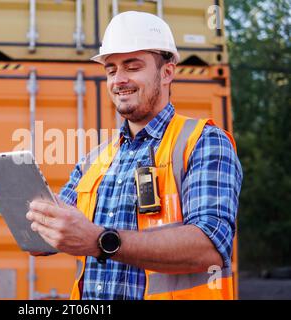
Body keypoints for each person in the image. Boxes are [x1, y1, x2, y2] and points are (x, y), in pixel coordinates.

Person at [26, 11, 243, 300]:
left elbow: (210, 247)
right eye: (111, 69)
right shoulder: (94, 160)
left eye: (132, 67)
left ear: (167, 72)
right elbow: (46, 240)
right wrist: (36, 222)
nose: (119, 80)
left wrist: (100, 240)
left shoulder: (203, 142)